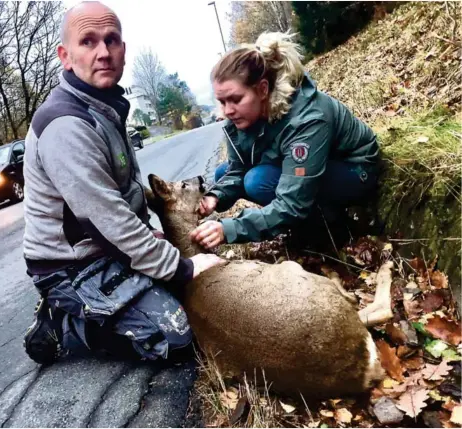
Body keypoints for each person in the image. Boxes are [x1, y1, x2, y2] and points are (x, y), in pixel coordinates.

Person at [22, 1, 224, 365]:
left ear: (124, 50)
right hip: (71, 266)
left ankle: (112, 301)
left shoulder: (105, 107)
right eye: (88, 41)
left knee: (196, 297)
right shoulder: (66, 125)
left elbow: (124, 196)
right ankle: (64, 322)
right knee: (174, 336)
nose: (103, 52)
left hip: (109, 248)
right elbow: (107, 220)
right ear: (65, 56)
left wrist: (158, 245)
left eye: (111, 40)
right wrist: (182, 267)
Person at [190, 32, 379, 250]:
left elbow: (292, 202)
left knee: (257, 180)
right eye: (222, 102)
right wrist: (215, 196)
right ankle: (305, 222)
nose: (228, 110)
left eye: (235, 99)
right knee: (222, 174)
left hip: (354, 170)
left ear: (262, 89)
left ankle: (329, 228)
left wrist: (229, 229)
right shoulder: (243, 116)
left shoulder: (307, 119)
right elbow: (237, 168)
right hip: (311, 167)